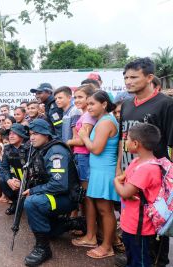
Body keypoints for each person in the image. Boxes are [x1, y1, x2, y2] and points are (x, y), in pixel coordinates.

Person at [116, 57, 173, 267]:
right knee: (133, 223)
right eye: (125, 77)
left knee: (156, 225)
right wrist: (119, 168)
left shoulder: (166, 105)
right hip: (130, 176)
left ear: (150, 78)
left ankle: (158, 261)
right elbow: (124, 139)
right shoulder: (127, 105)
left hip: (154, 182)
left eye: (133, 77)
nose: (128, 81)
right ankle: (137, 257)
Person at [22, 118, 83, 266]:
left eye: (36, 133)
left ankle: (43, 249)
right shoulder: (39, 149)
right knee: (49, 232)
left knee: (32, 202)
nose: (32, 137)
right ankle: (72, 223)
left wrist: (34, 190)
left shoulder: (55, 151)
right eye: (30, 134)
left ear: (46, 134)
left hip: (65, 197)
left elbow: (59, 185)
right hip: (53, 195)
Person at [73, 91, 119, 259]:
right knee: (102, 209)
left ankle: (107, 247)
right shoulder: (103, 120)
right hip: (99, 169)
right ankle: (103, 242)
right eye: (89, 104)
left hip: (104, 170)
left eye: (92, 104)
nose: (89, 107)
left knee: (105, 210)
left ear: (104, 104)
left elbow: (96, 149)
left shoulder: (105, 122)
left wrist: (84, 136)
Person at [114, 123, 162, 267]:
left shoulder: (147, 169)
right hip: (131, 223)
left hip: (140, 228)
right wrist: (123, 184)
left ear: (136, 143)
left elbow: (124, 190)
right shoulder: (136, 161)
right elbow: (126, 181)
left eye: (127, 139)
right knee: (131, 256)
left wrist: (115, 181)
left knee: (140, 260)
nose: (125, 142)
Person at [66, 84, 96, 218]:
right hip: (80, 156)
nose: (76, 100)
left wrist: (66, 142)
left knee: (85, 193)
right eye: (75, 97)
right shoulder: (83, 115)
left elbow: (82, 141)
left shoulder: (88, 116)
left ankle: (88, 228)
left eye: (80, 97)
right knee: (81, 193)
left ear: (89, 98)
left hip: (84, 156)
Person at [0, 123, 29, 215]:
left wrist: (24, 182)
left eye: (14, 133)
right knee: (2, 179)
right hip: (16, 177)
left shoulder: (30, 148)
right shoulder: (7, 149)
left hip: (30, 178)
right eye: (10, 133)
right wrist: (9, 180)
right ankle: (15, 202)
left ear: (21, 135)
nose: (11, 136)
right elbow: (4, 168)